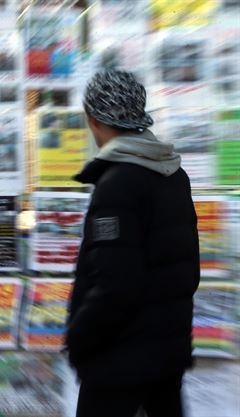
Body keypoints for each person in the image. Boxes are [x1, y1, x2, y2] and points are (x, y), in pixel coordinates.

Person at [65, 70, 200, 417]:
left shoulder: (117, 183)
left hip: (118, 361)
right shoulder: (173, 174)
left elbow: (113, 284)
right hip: (166, 354)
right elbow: (189, 272)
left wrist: (78, 339)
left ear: (94, 121)